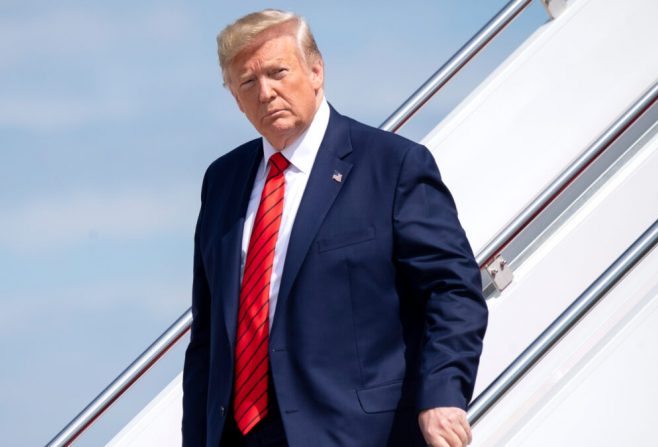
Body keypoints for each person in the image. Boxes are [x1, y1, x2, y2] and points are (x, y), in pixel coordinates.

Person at [182, 9, 487, 447]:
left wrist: (442, 395)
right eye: (248, 83)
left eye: (277, 72)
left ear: (316, 71)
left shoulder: (393, 165)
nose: (266, 92)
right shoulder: (222, 180)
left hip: (358, 433)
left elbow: (453, 289)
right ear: (234, 96)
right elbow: (209, 335)